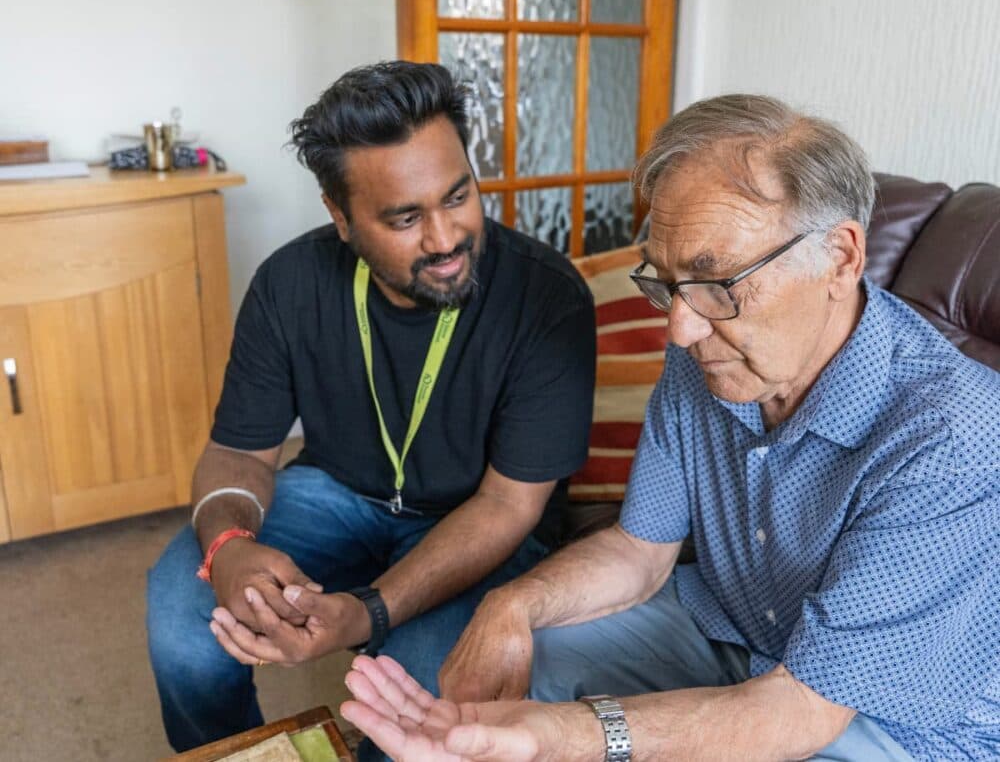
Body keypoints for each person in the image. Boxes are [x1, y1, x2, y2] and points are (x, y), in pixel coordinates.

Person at [336, 95, 1000, 761]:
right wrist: (512, 608)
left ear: (841, 259)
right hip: (730, 629)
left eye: (718, 283)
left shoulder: (952, 437)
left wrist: (574, 734)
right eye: (668, 284)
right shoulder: (709, 350)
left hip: (892, 720)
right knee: (468, 694)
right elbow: (639, 549)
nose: (680, 328)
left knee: (544, 735)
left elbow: (800, 708)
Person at [145, 61, 596, 759]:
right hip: (336, 492)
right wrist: (227, 549)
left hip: (477, 518)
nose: (446, 239)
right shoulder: (289, 284)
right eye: (406, 218)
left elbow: (509, 505)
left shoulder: (547, 300)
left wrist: (365, 612)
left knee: (418, 693)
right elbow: (239, 452)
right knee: (180, 610)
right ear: (341, 217)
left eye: (458, 197)